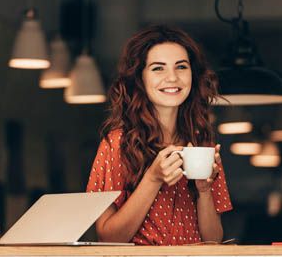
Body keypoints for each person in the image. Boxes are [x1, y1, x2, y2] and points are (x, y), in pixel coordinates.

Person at [86, 25, 232, 245]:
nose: (172, 77)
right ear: (140, 78)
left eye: (181, 67)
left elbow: (213, 240)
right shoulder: (117, 144)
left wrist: (204, 190)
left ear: (193, 74)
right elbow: (108, 237)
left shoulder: (204, 146)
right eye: (158, 68)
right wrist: (153, 178)